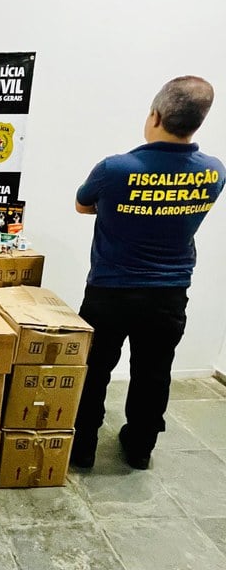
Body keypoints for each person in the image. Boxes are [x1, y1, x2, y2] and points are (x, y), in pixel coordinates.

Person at [71, 76, 225, 470]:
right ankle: (140, 448)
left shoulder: (115, 168)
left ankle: (82, 447)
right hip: (169, 294)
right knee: (153, 373)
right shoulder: (213, 172)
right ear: (199, 122)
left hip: (110, 292)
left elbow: (82, 205)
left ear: (155, 115)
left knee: (93, 370)